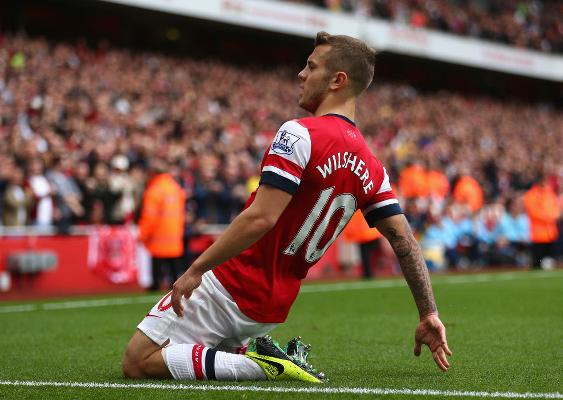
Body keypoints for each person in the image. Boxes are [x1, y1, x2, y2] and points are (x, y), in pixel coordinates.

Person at [122, 31, 451, 383]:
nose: (301, 74)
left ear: (338, 80)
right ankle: (255, 357)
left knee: (138, 361)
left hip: (231, 282)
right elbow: (405, 243)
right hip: (273, 304)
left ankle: (266, 364)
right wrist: (428, 312)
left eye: (311, 66)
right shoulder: (373, 167)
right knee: (206, 364)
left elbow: (261, 217)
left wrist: (197, 268)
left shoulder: (299, 133)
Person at [137, 158, 186, 292]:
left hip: (158, 242)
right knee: (176, 280)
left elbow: (149, 217)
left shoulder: (154, 191)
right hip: (175, 240)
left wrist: (142, 235)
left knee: (155, 283)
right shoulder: (176, 188)